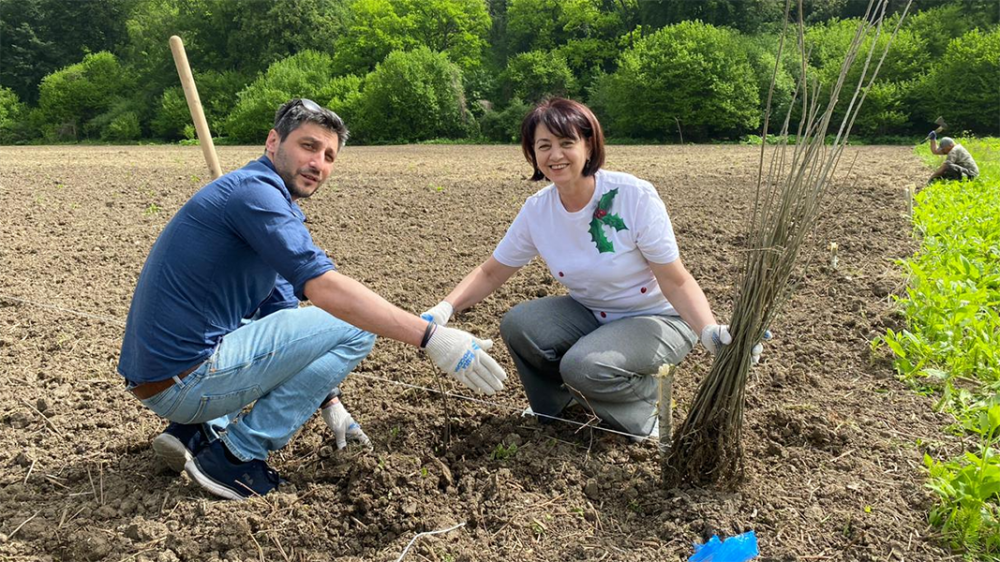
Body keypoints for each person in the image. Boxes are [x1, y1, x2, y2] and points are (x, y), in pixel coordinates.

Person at [119, 98, 506, 500]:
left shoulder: (264, 198)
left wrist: (329, 400)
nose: (318, 163)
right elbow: (323, 288)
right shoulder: (256, 195)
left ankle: (200, 432)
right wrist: (431, 337)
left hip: (164, 377)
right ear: (273, 141)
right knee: (355, 325)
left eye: (328, 155)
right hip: (185, 381)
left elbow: (284, 319)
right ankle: (235, 456)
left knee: (270, 322)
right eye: (308, 146)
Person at [420, 98, 762, 441]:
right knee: (519, 325)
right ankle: (558, 407)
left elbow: (675, 280)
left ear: (588, 145)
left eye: (567, 143)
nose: (555, 155)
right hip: (591, 311)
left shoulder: (633, 197)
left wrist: (707, 330)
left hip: (658, 317)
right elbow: (491, 272)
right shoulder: (538, 211)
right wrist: (445, 308)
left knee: (582, 367)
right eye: (544, 146)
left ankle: (645, 412)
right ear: (532, 153)